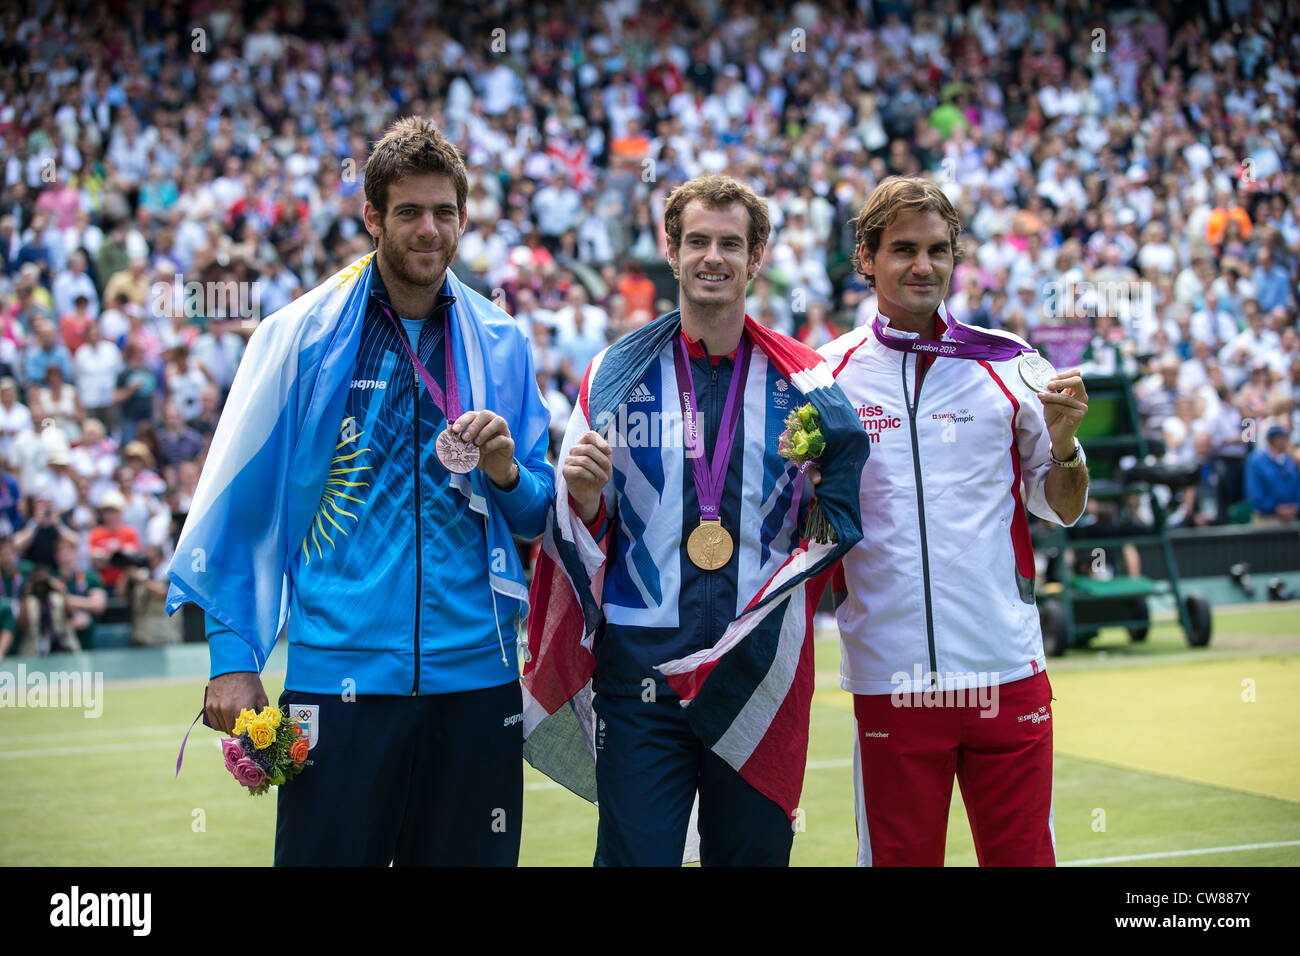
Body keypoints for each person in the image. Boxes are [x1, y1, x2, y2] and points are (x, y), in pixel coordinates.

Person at [166, 118, 554, 866]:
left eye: (444, 212)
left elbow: (538, 512)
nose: (428, 229)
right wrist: (231, 653)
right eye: (408, 211)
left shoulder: (502, 341)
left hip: (476, 681)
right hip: (337, 679)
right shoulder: (300, 338)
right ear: (372, 216)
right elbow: (240, 501)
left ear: (464, 218)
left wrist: (507, 472)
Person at [524, 175, 868, 866]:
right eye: (700, 241)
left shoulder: (806, 384)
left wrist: (828, 508)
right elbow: (579, 534)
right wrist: (586, 501)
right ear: (671, 250)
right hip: (642, 678)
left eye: (731, 244)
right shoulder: (614, 374)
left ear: (758, 255)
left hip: (757, 674)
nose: (715, 257)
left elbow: (836, 528)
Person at [820, 177, 1091, 867]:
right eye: (904, 249)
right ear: (866, 257)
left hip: (1007, 667)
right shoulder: (828, 378)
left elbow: (1062, 504)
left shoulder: (1011, 363)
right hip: (892, 677)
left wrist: (1064, 444)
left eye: (938, 250)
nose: (923, 266)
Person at [1245, 426, 1300, 522]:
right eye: (1281, 437)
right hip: (1266, 518)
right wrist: (1274, 508)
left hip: (1291, 517)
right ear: (1272, 440)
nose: (1285, 441)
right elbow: (1254, 492)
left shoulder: (1289, 461)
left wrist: (1295, 507)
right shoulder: (1256, 460)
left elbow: (1297, 487)